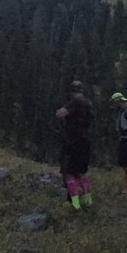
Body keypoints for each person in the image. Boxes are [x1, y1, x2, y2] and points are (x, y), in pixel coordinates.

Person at [56, 80, 94, 211]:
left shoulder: (75, 102)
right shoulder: (88, 103)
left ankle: (75, 204)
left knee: (68, 173)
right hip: (85, 140)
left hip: (72, 141)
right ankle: (88, 201)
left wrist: (62, 112)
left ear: (72, 91)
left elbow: (61, 114)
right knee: (81, 173)